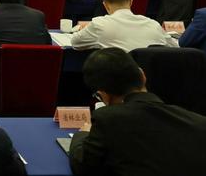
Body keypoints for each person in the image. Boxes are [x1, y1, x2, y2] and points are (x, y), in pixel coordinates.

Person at [68, 48, 206, 176]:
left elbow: (82, 167)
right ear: (142, 75)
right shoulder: (199, 123)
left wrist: (82, 134)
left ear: (103, 95)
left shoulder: (108, 119)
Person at [71, 0, 177, 51]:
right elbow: (175, 47)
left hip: (118, 77)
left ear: (105, 5)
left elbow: (76, 43)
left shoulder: (99, 24)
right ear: (131, 1)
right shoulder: (153, 24)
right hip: (151, 78)